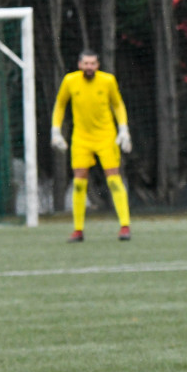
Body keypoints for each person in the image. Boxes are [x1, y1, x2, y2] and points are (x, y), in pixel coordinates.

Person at [51, 49, 133, 242]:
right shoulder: (70, 81)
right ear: (80, 65)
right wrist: (55, 131)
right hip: (81, 138)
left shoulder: (107, 81)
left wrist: (123, 129)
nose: (89, 67)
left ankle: (125, 226)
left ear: (97, 65)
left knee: (113, 179)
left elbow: (118, 104)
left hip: (105, 136)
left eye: (93, 63)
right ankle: (78, 230)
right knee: (79, 183)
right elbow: (60, 105)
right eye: (86, 63)